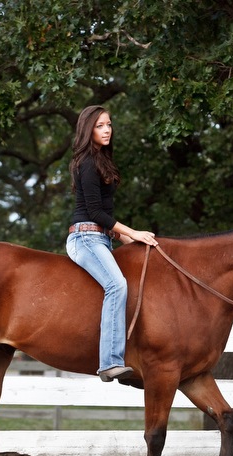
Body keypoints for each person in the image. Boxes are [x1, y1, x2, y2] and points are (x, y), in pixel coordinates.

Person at [66, 105, 158, 383]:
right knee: (116, 285)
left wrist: (127, 238)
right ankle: (109, 362)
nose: (107, 130)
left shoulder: (102, 160)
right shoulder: (87, 163)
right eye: (99, 126)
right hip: (84, 237)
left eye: (108, 124)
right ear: (87, 130)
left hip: (102, 237)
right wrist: (133, 232)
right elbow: (95, 213)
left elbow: (104, 215)